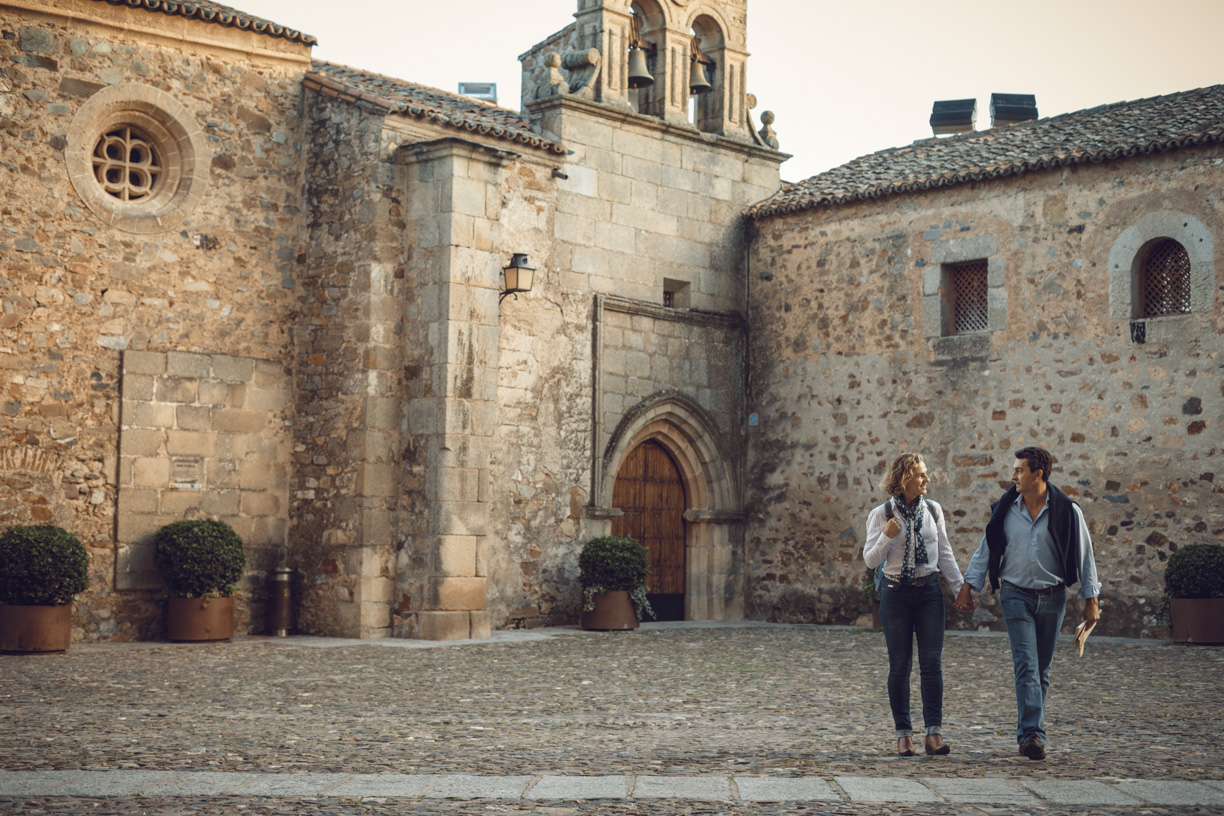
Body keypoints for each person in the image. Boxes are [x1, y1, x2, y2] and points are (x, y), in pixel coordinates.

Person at [956, 446, 1101, 761]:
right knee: (1026, 665)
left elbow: (1085, 554)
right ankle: (1033, 735)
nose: (1013, 476)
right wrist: (968, 586)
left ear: (1038, 473)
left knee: (1041, 669)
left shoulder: (1067, 510)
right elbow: (986, 549)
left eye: (1019, 470)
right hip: (1015, 594)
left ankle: (1030, 730)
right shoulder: (1006, 509)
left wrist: (1091, 599)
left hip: (1053, 597)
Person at [864, 452, 966, 757]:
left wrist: (961, 590)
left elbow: (944, 553)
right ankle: (903, 734)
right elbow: (870, 561)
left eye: (926, 473)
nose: (927, 479)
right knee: (900, 666)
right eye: (921, 474)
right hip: (895, 595)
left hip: (930, 594)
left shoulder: (934, 511)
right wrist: (885, 536)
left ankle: (933, 734)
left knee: (932, 664)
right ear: (904, 478)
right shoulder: (881, 514)